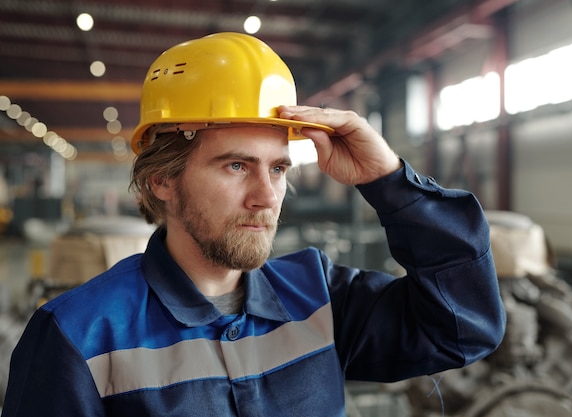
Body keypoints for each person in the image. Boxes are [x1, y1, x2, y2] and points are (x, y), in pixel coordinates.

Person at [1, 32, 505, 417]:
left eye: (279, 168)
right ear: (161, 181)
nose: (267, 197)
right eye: (236, 166)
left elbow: (465, 327)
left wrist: (390, 181)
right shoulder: (78, 336)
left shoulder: (320, 299)